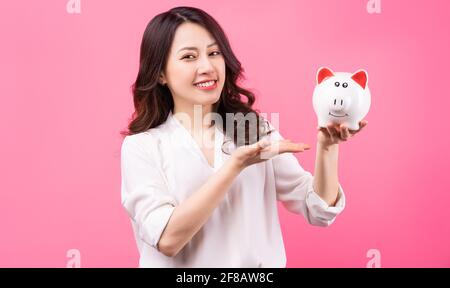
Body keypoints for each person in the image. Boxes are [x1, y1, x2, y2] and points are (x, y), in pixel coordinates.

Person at [120, 6, 367, 268]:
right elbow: (167, 239)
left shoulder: (252, 129)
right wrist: (235, 165)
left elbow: (316, 208)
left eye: (214, 53)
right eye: (189, 57)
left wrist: (327, 147)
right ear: (160, 74)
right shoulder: (142, 147)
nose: (207, 66)